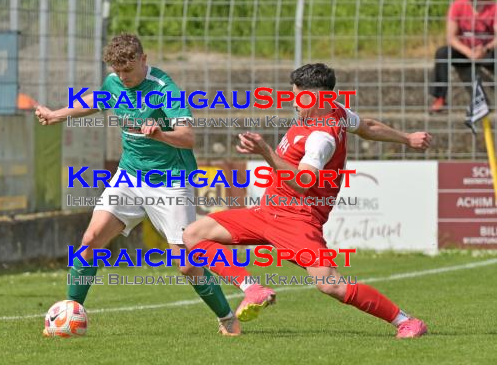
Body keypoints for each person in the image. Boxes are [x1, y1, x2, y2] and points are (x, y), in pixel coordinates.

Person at [183, 63, 433, 339]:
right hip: (266, 212)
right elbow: (368, 126)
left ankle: (406, 321)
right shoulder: (336, 110)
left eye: (298, 97)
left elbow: (303, 184)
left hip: (296, 220)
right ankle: (253, 289)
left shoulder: (321, 138)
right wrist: (407, 138)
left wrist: (266, 151)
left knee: (331, 285)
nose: (293, 102)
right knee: (193, 235)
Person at [35, 33, 240, 336]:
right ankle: (70, 313)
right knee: (91, 239)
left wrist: (160, 134)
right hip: (130, 176)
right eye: (118, 72)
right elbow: (98, 99)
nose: (123, 78)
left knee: (186, 264)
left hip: (169, 182)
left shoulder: (165, 90)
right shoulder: (115, 82)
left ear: (144, 60)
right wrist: (57, 114)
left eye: (128, 71)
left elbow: (188, 137)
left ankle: (227, 319)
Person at [430, 0, 497, 113]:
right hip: (464, 52)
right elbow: (451, 38)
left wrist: (485, 49)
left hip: (486, 52)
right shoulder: (457, 5)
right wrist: (468, 52)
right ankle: (439, 97)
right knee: (442, 53)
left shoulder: (493, 7)